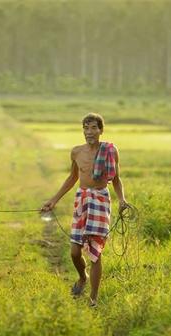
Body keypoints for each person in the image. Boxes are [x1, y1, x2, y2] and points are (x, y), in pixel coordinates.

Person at [41, 113, 128, 307]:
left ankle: (94, 298)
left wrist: (122, 200)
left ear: (101, 130)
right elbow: (72, 178)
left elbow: (116, 179)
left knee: (95, 252)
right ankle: (82, 277)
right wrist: (53, 200)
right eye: (86, 128)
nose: (89, 132)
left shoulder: (109, 151)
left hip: (100, 199)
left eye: (93, 128)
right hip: (82, 199)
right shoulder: (76, 152)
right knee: (74, 251)